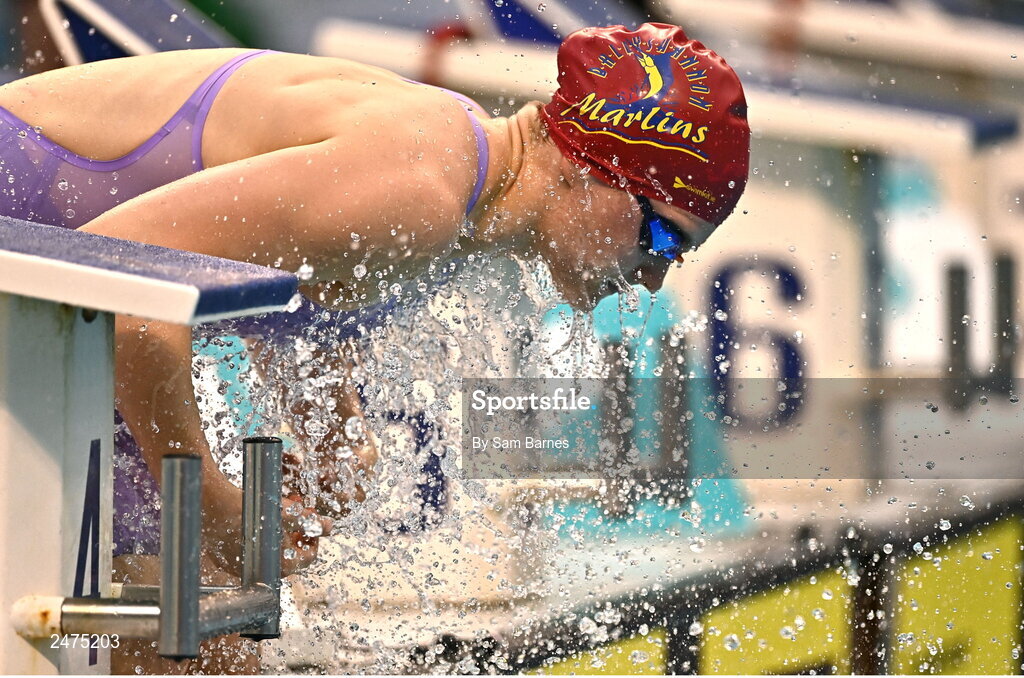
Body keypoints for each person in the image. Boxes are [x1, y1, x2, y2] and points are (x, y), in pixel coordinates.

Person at [0, 21, 749, 673]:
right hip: (33, 266)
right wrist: (199, 494)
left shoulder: (463, 189)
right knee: (183, 650)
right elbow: (114, 290)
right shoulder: (418, 188)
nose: (654, 280)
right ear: (601, 168)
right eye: (662, 236)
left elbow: (289, 300)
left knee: (204, 651)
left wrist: (335, 437)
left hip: (51, 299)